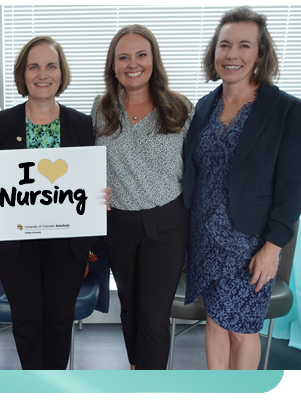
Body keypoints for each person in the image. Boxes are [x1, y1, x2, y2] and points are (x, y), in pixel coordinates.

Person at [183, 6, 301, 370]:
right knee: (213, 322)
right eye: (224, 45)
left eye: (243, 45)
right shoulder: (204, 106)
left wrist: (273, 248)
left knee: (242, 329)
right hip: (204, 236)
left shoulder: (288, 111)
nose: (232, 55)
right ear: (214, 52)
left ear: (259, 53)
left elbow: (293, 187)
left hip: (250, 243)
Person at [0, 36, 99, 370]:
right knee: (26, 320)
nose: (43, 74)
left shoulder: (82, 124)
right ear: (23, 74)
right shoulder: (4, 123)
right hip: (17, 243)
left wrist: (101, 193)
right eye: (34, 66)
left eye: (51, 66)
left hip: (67, 243)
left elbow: (89, 182)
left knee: (58, 319)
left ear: (61, 72)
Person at [90, 25, 193, 370]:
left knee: (153, 313)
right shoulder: (101, 108)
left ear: (153, 60)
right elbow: (87, 165)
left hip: (166, 222)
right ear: (113, 65)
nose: (132, 63)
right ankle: (136, 371)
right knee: (131, 307)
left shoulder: (179, 107)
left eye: (141, 55)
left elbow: (199, 167)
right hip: (117, 222)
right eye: (123, 57)